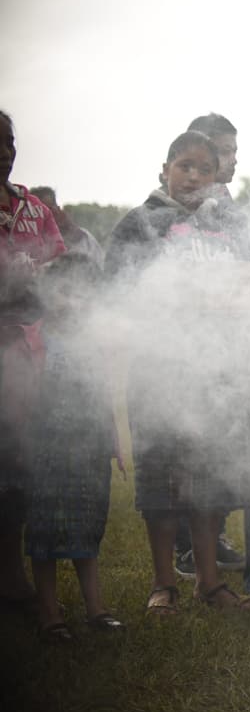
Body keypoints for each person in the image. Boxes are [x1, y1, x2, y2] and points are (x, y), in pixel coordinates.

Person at [107, 130, 250, 612]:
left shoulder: (227, 225)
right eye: (185, 166)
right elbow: (116, 290)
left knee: (209, 481)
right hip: (159, 371)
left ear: (217, 180)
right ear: (166, 169)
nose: (193, 177)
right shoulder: (140, 222)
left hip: (215, 370)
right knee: (162, 480)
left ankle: (210, 582)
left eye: (204, 170)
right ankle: (163, 583)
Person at [25, 253, 123, 641]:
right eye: (66, 292)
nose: (74, 302)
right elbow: (22, 398)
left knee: (87, 526)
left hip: (89, 446)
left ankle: (95, 608)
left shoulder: (95, 343)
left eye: (84, 294)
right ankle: (49, 613)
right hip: (46, 447)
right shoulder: (35, 340)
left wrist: (113, 439)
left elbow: (105, 395)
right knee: (44, 530)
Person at [173, 113, 245, 579]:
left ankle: (212, 536)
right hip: (183, 350)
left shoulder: (229, 207)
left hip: (227, 344)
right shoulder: (179, 207)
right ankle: (185, 546)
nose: (231, 162)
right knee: (186, 450)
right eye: (224, 152)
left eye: (235, 153)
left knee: (222, 449)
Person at [0, 110, 65, 613]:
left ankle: (11, 571)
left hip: (28, 351)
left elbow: (58, 269)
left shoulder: (33, 208)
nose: (4, 153)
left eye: (8, 142)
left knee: (19, 464)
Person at [29, 187, 105, 268]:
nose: (46, 215)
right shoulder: (26, 246)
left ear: (57, 209)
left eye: (50, 209)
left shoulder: (83, 237)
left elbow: (100, 266)